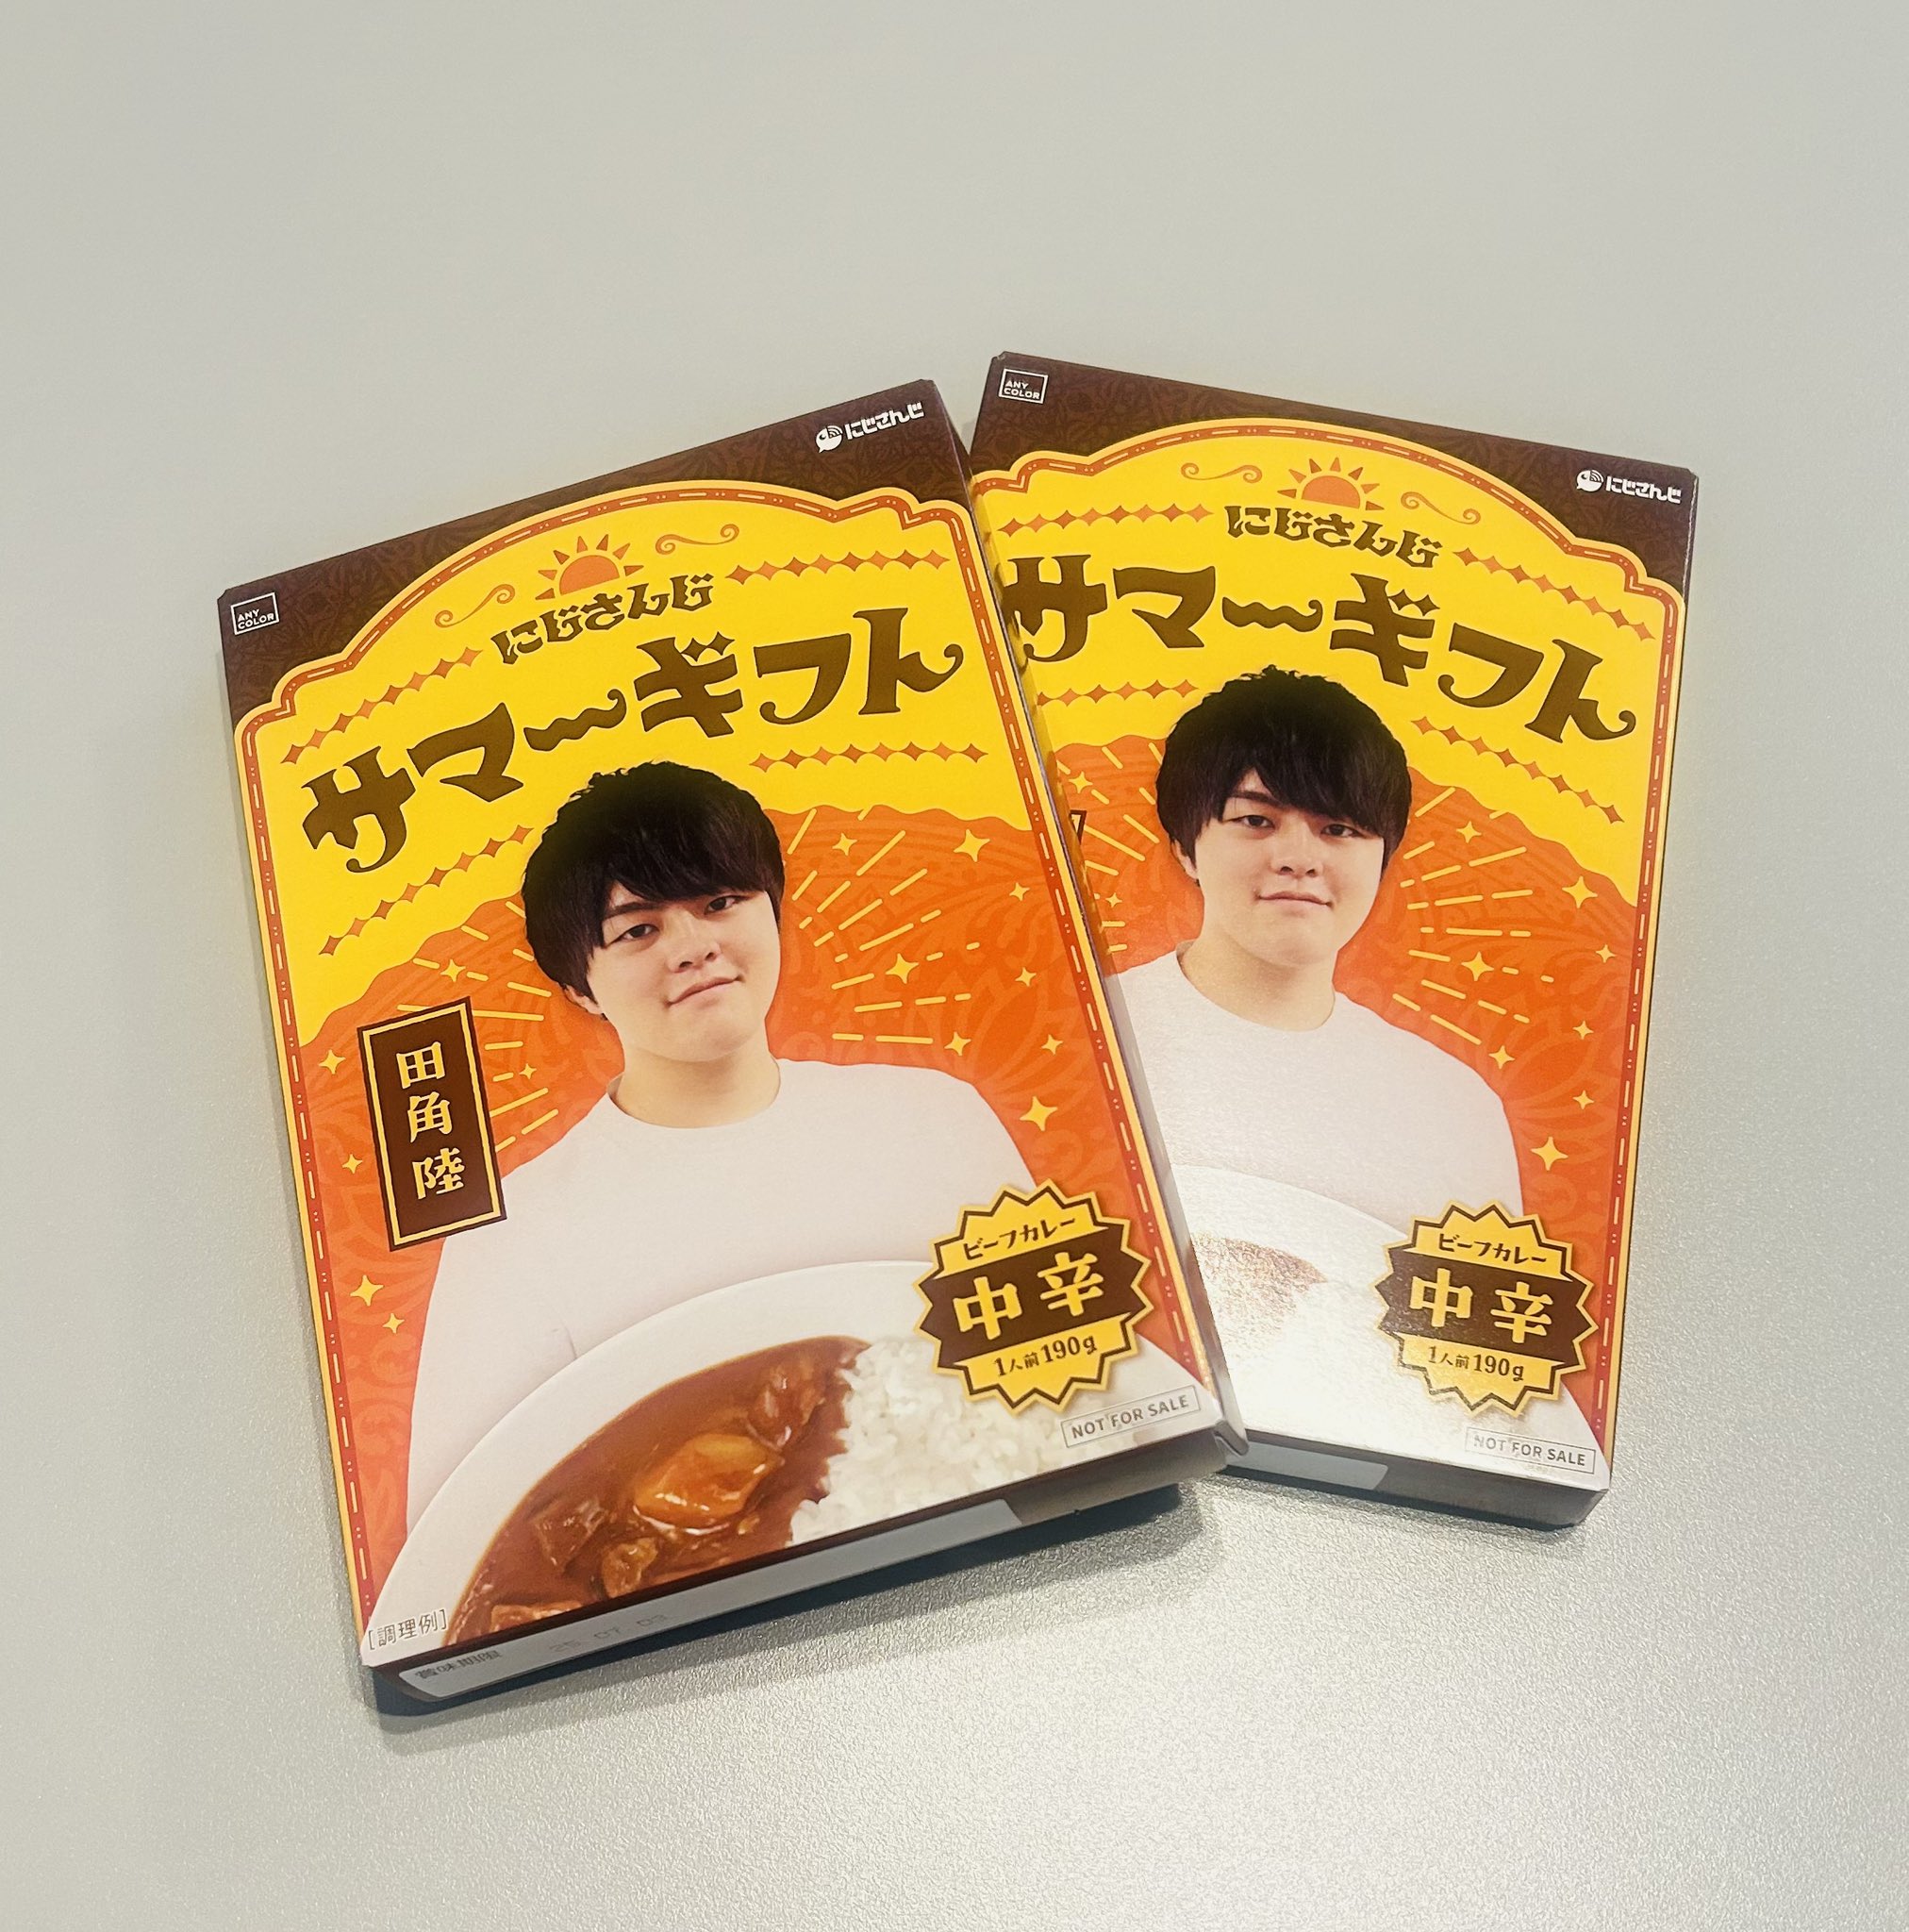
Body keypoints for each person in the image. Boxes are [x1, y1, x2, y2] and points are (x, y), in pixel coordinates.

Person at [406, 762, 1029, 1525]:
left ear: (774, 910)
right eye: (638, 930)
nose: (694, 946)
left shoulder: (935, 1118)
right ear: (578, 989)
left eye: (721, 902)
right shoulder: (509, 1236)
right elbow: (453, 1520)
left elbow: (1066, 1373)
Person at [1113, 664, 1521, 1233]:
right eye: (1255, 819)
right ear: (1185, 847)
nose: (1299, 859)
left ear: (1384, 859)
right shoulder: (1090, 1038)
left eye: (1339, 829)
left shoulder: (1455, 1109)